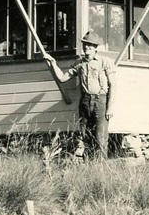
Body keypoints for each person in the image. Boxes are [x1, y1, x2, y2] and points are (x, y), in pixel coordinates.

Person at [46, 31, 114, 159]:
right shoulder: (79, 63)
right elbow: (62, 78)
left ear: (95, 48)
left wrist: (110, 107)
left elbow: (113, 85)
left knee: (101, 137)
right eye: (85, 44)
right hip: (85, 101)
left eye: (90, 45)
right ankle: (88, 164)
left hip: (100, 101)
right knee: (85, 134)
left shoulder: (105, 62)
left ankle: (100, 168)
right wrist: (53, 63)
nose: (86, 47)